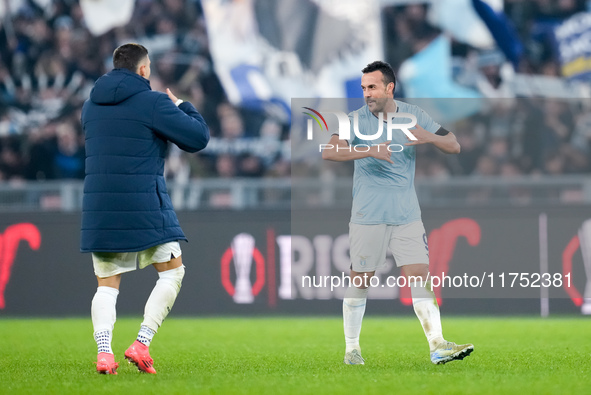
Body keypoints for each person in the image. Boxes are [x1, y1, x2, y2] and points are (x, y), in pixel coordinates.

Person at [322, 61, 473, 365]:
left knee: (420, 276)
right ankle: (352, 349)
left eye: (372, 87)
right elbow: (329, 151)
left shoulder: (414, 116)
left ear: (389, 88)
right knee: (360, 279)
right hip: (368, 214)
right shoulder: (352, 120)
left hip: (406, 214)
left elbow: (454, 144)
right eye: (364, 88)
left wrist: (428, 137)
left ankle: (437, 345)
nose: (367, 93)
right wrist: (368, 149)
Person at [80, 43, 209, 375]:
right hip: (144, 205)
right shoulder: (153, 103)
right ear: (142, 70)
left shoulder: (90, 106)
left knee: (106, 284)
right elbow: (197, 138)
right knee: (172, 271)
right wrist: (183, 106)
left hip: (100, 208)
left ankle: (104, 353)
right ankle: (141, 342)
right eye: (148, 66)